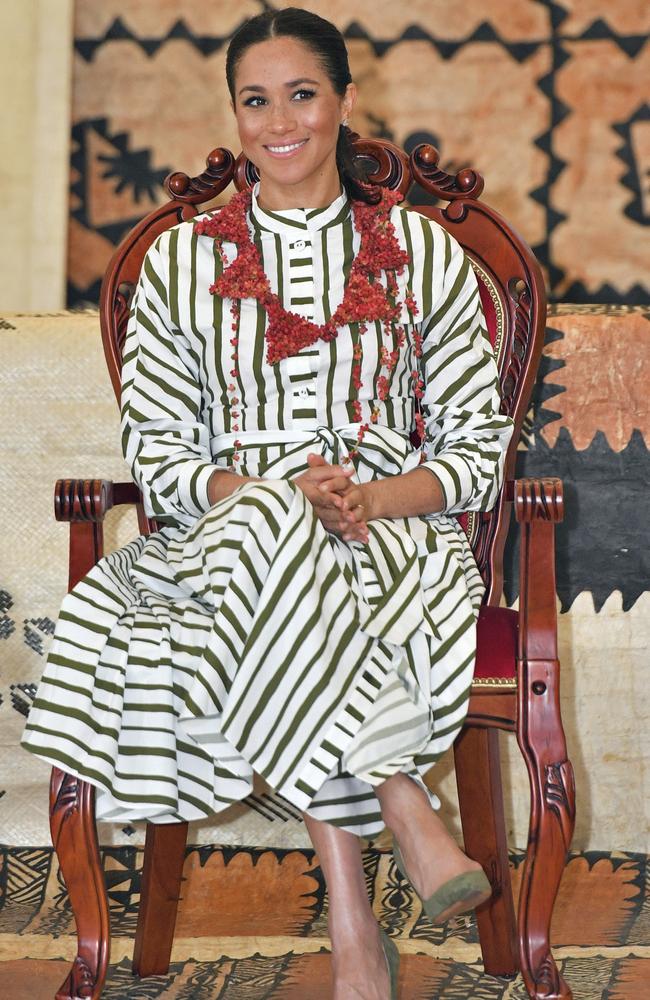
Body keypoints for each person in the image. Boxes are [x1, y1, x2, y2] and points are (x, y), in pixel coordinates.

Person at [23, 8, 514, 998]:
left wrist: (368, 497)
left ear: (341, 101)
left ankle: (351, 921)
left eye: (302, 93)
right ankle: (396, 801)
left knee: (307, 555)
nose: (279, 119)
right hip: (228, 534)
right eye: (256, 99)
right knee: (267, 521)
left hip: (391, 538)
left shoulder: (420, 257)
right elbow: (161, 453)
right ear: (233, 113)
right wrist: (273, 491)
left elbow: (473, 452)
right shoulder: (180, 262)